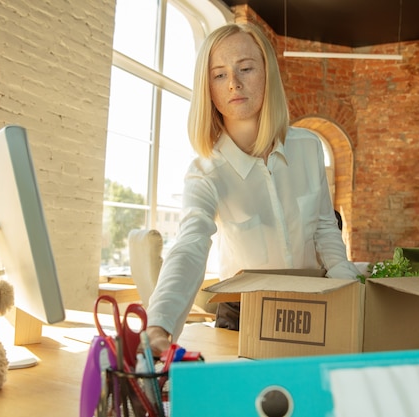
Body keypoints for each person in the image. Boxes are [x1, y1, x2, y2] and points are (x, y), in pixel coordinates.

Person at [144, 23, 358, 355]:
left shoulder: (308, 148)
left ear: (267, 74)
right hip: (242, 316)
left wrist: (349, 288)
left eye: (245, 68)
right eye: (219, 75)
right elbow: (189, 245)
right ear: (208, 89)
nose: (234, 83)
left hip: (309, 307)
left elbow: (325, 228)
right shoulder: (206, 172)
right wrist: (158, 326)